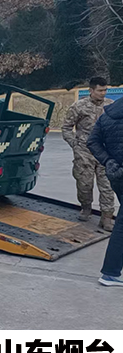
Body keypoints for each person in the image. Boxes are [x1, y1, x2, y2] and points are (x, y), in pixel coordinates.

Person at [62, 76, 115, 230]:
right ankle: (86, 207)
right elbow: (66, 127)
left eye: (105, 90)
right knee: (84, 184)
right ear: (91, 90)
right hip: (85, 152)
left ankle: (107, 217)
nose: (103, 93)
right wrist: (75, 145)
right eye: (100, 90)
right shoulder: (79, 106)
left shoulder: (111, 106)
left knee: (107, 185)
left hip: (105, 153)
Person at [87, 93, 123, 287]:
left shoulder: (108, 115)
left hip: (116, 175)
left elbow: (92, 141)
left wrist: (108, 161)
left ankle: (111, 272)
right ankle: (110, 272)